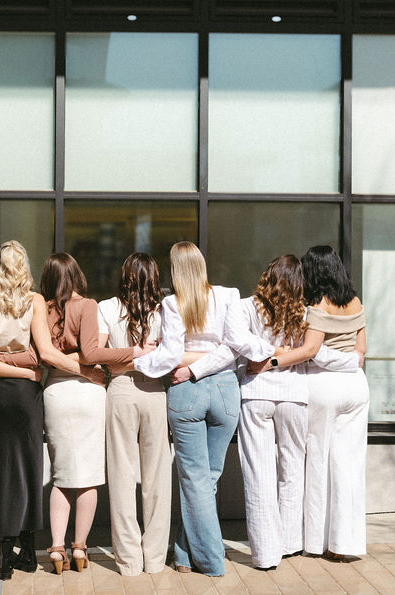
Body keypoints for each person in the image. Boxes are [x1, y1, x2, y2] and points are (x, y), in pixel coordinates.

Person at [0, 241, 86, 580]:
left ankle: (5, 555)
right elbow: (45, 352)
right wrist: (30, 373)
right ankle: (30, 551)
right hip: (27, 395)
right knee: (30, 468)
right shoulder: (35, 301)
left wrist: (3, 363)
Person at [233, 255, 359, 570]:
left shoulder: (246, 307)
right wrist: (352, 361)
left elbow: (237, 341)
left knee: (258, 474)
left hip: (256, 393)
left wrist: (265, 354)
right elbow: (318, 354)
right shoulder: (302, 313)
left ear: (266, 276)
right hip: (293, 396)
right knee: (292, 472)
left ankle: (265, 554)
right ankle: (290, 544)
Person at [133, 241, 248, 577]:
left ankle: (212, 561)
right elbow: (233, 349)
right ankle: (184, 555)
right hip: (227, 390)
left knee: (195, 480)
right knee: (206, 480)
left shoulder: (172, 302)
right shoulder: (229, 295)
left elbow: (170, 355)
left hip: (188, 391)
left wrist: (140, 361)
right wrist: (208, 361)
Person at [40, 253, 149, 574]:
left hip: (55, 392)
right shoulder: (88, 306)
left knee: (61, 475)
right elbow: (91, 353)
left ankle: (57, 547)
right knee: (87, 477)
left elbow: (43, 355)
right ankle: (79, 548)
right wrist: (135, 351)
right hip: (88, 393)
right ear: (77, 275)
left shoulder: (41, 308)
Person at [97, 252, 170, 576]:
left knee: (121, 477)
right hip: (155, 392)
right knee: (157, 479)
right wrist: (145, 355)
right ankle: (154, 560)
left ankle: (128, 562)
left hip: (121, 390)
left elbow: (98, 357)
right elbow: (170, 355)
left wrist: (125, 359)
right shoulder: (166, 310)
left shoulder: (107, 308)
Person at [299, 245, 368, 560]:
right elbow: (361, 352)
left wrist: (274, 360)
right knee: (349, 467)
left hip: (323, 388)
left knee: (318, 464)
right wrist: (348, 361)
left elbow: (311, 349)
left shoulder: (316, 305)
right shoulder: (356, 302)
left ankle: (316, 542)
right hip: (356, 388)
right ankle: (345, 545)